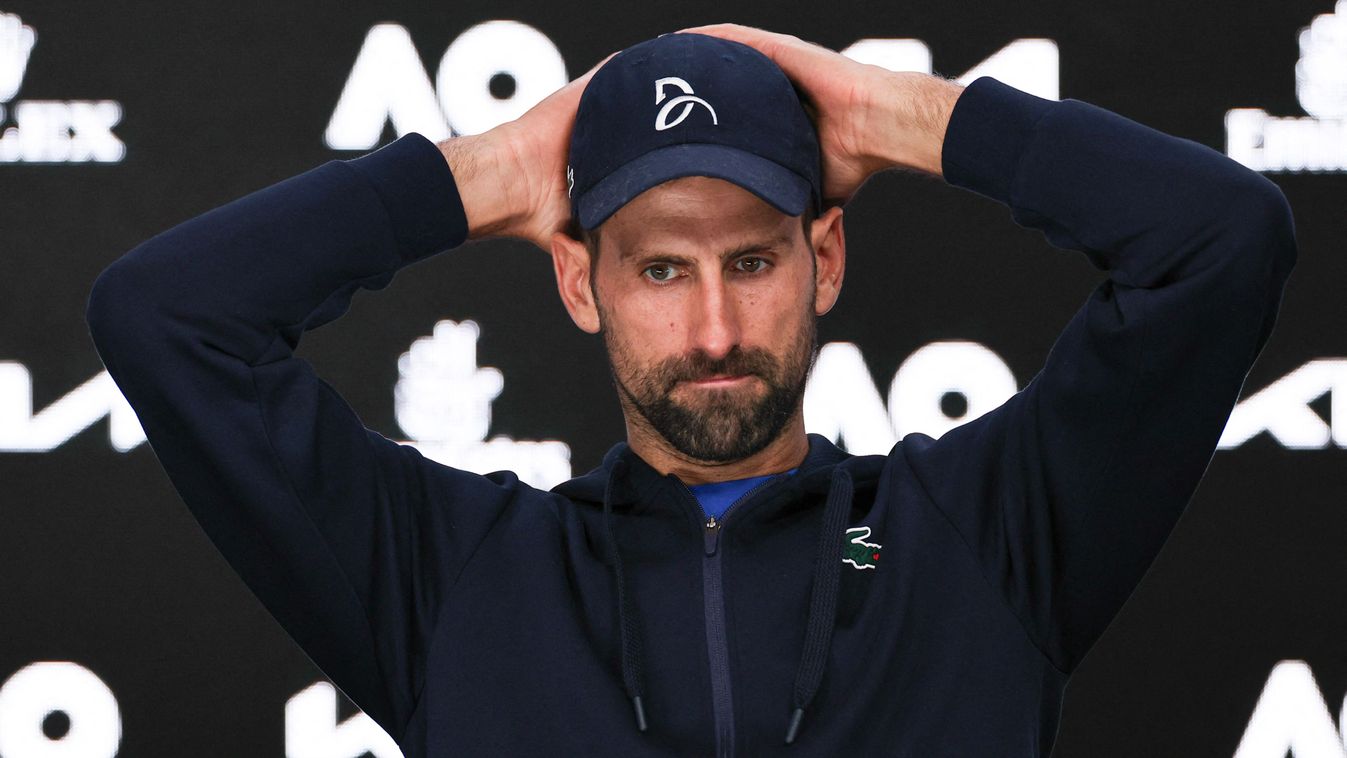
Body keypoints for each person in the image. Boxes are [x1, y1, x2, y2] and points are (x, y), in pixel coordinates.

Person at [85, 24, 1295, 758]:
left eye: (752, 261)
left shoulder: (978, 537)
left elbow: (1226, 240)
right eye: (660, 268)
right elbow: (163, 317)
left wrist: (892, 110)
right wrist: (486, 170)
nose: (714, 328)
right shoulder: (455, 576)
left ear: (825, 258)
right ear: (580, 280)